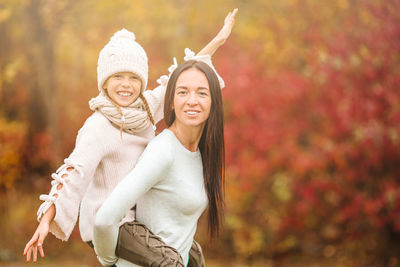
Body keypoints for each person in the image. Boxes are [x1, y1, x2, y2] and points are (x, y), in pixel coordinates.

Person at [23, 8, 237, 265]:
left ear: (142, 82)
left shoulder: (145, 108)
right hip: (109, 220)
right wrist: (47, 218)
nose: (126, 85)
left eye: (134, 78)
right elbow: (74, 173)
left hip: (134, 218)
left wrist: (218, 40)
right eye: (118, 77)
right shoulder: (98, 126)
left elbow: (182, 77)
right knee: (169, 261)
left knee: (193, 255)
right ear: (104, 81)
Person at [93, 57, 226, 267]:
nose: (192, 100)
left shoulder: (200, 153)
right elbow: (104, 219)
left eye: (202, 93)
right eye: (183, 92)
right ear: (171, 101)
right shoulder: (163, 150)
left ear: (213, 102)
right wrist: (110, 261)